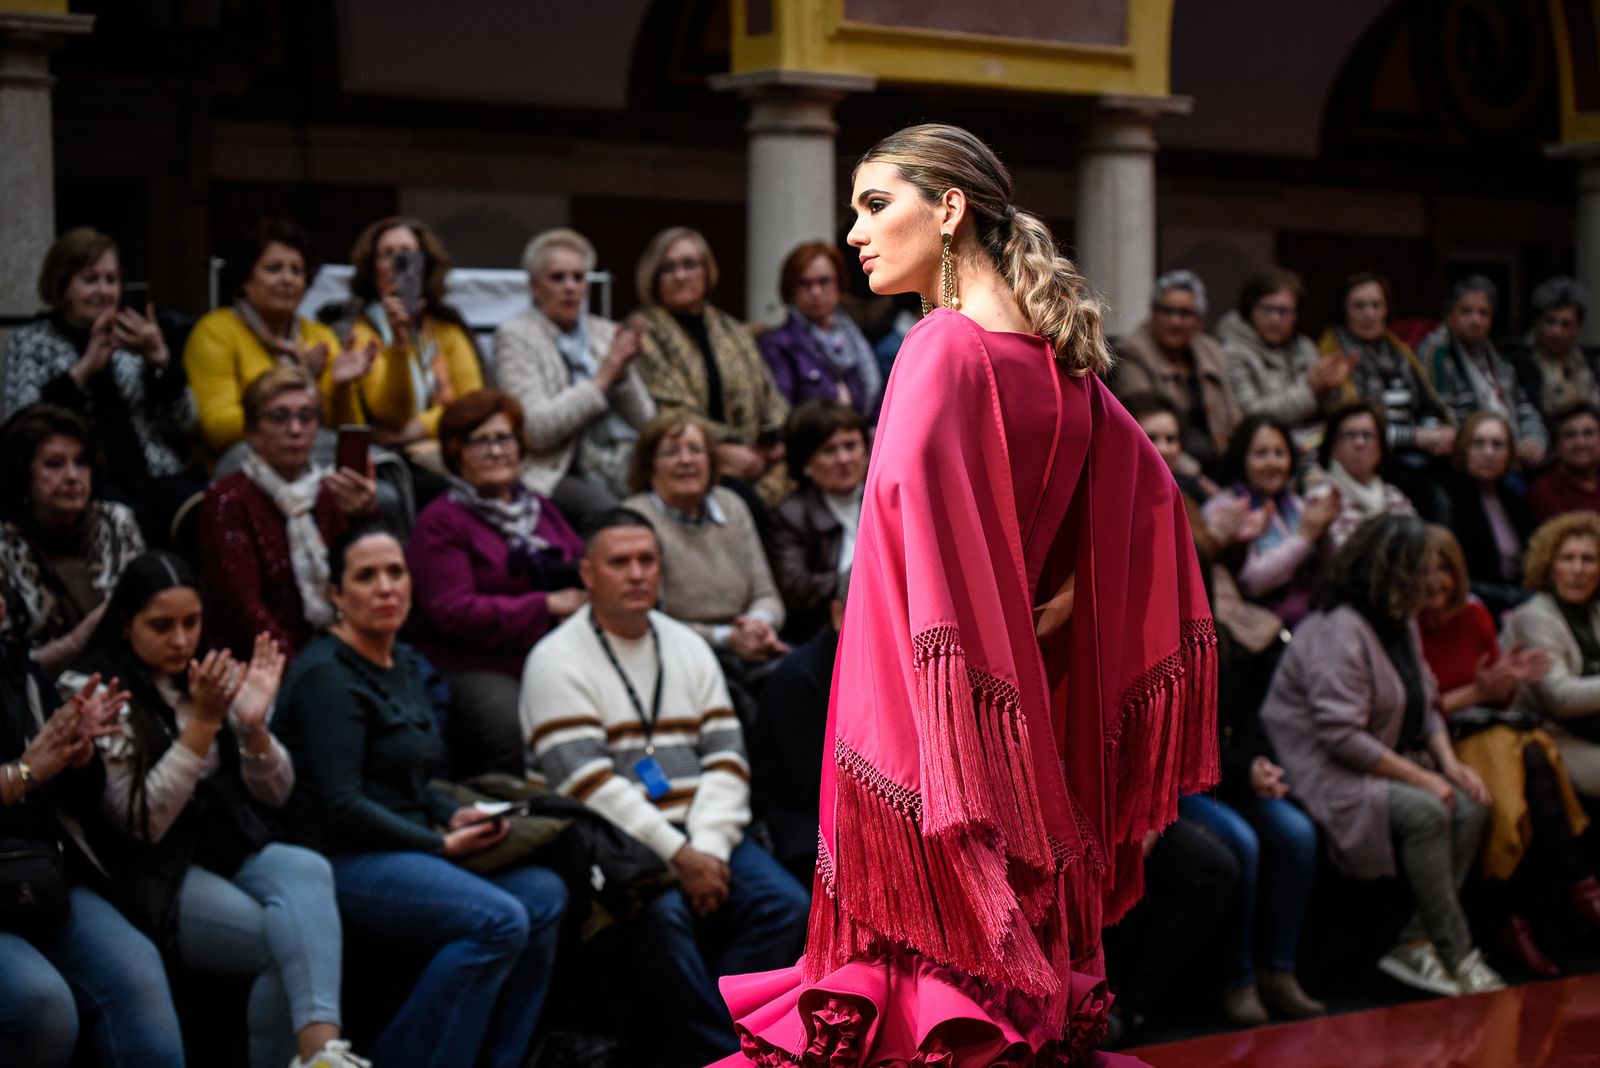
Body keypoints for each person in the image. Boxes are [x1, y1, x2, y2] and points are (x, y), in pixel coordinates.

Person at [715, 123, 1217, 1066]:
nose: (855, 233)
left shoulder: (939, 346)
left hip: (923, 745)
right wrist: (1050, 616)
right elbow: (1156, 509)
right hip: (1020, 739)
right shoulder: (1064, 367)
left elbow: (909, 569)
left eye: (875, 204)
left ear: (948, 210)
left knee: (913, 1016)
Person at [520, 508, 809, 1065]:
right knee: (663, 917)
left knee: (786, 904)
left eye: (647, 560)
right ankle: (720, 1053)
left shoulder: (687, 646)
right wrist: (680, 855)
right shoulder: (553, 660)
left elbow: (727, 758)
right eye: (619, 562)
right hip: (614, 845)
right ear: (586, 574)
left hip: (703, 834)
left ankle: (708, 1041)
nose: (636, 574)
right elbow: (588, 784)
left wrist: (706, 848)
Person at [273, 524, 567, 1068]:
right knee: (499, 920)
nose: (386, 587)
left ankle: (500, 1060)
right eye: (366, 576)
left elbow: (411, 780)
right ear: (335, 594)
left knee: (544, 894)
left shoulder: (402, 660)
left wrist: (454, 812)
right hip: (343, 857)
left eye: (395, 572)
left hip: (408, 841)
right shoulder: (326, 677)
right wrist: (440, 846)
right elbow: (341, 804)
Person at [69, 552, 366, 1068]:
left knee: (307, 866)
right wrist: (203, 723)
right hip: (154, 872)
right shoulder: (92, 692)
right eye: (161, 626)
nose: (181, 640)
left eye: (191, 622)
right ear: (124, 623)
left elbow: (276, 794)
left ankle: (323, 1055)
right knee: (281, 941)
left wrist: (252, 728)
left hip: (226, 844)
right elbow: (143, 822)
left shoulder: (205, 673)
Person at [1261, 515, 1503, 998]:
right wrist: (1421, 777)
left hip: (1380, 758)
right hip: (1322, 769)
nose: (1434, 582)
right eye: (1423, 571)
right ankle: (1458, 951)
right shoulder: (1338, 629)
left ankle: (1413, 940)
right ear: (1390, 571)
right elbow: (1340, 738)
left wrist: (1450, 766)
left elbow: (1428, 702)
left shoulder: (1401, 622)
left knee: (1473, 801)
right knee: (1428, 811)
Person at [0, 571, 185, 1068]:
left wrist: (77, 757)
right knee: (42, 1005)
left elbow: (83, 800)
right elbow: (28, 771)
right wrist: (24, 772)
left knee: (136, 967)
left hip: (37, 876)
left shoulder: (18, 672)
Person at [1417, 526, 1597, 976]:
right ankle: (1573, 893)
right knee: (1521, 767)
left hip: (1493, 731)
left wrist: (1499, 684)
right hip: (1434, 742)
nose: (1436, 580)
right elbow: (1409, 711)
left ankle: (1527, 916)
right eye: (1424, 568)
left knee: (1524, 763)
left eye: (1445, 568)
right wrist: (1476, 692)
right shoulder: (1399, 625)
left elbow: (1500, 699)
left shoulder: (1475, 615)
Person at [405, 390, 586, 778]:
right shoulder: (441, 522)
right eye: (479, 441)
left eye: (504, 438)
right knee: (509, 723)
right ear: (456, 452)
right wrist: (545, 605)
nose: (495, 451)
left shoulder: (540, 508)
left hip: (549, 652)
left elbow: (580, 566)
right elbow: (452, 613)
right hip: (475, 663)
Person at [3, 228, 201, 540]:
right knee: (128, 522)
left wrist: (160, 361)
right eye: (90, 279)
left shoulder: (133, 337)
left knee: (203, 513)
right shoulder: (33, 340)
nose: (103, 290)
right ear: (62, 285)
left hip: (153, 470)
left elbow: (186, 423)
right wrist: (82, 372)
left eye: (111, 280)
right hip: (82, 476)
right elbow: (20, 432)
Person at [198, 367, 378, 658]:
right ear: (251, 432)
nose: (295, 430)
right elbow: (243, 610)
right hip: (264, 661)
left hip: (339, 646)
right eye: (279, 417)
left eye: (306, 417)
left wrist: (364, 517)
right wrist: (302, 673)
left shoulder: (330, 491)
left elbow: (365, 581)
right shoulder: (228, 500)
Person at [493, 228, 655, 520]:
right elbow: (535, 431)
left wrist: (623, 376)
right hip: (554, 468)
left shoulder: (604, 332)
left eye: (579, 277)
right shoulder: (515, 336)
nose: (570, 287)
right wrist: (602, 379)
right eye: (558, 277)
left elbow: (648, 422)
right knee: (617, 517)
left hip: (623, 458)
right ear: (533, 286)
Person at [183, 218, 374, 467]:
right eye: (274, 269)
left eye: (297, 270)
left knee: (384, 490)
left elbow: (349, 434)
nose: (288, 279)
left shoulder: (319, 337)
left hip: (311, 457)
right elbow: (218, 430)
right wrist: (298, 379)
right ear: (245, 278)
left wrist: (341, 389)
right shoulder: (215, 331)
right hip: (243, 463)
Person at [632, 227, 791, 504]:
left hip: (757, 458)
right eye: (668, 268)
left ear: (707, 272)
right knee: (748, 508)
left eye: (690, 265)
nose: (680, 275)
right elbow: (672, 408)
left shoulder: (731, 329)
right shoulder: (644, 331)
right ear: (654, 277)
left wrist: (775, 439)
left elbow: (767, 393)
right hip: (693, 460)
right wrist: (726, 449)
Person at [622, 412, 787, 667]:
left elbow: (766, 593)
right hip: (676, 652)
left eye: (696, 450)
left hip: (746, 637)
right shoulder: (635, 520)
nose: (686, 460)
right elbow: (650, 618)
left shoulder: (733, 505)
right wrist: (725, 637)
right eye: (671, 452)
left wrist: (758, 624)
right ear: (649, 464)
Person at [343, 217, 486, 492]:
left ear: (425, 265)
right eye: (387, 254)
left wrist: (420, 427)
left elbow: (473, 404)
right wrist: (399, 344)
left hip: (444, 449)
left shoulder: (447, 328)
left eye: (408, 253)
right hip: (386, 458)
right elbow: (389, 415)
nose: (399, 262)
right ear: (372, 267)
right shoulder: (356, 331)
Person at [0, 405, 145, 676]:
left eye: (81, 462)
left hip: (126, 679)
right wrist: (77, 641)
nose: (72, 476)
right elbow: (6, 668)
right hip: (38, 698)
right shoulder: (5, 546)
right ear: (23, 472)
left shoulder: (116, 522)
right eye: (54, 464)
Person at [1318, 271, 1455, 517]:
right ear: (1344, 311)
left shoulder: (1398, 349)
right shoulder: (1334, 354)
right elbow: (1356, 428)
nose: (1369, 314)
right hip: (1374, 455)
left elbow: (1426, 405)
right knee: (1433, 494)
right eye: (1359, 306)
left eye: (1376, 305)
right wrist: (1420, 438)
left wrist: (1436, 433)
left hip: (1419, 449)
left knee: (1464, 479)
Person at [1202, 416, 1339, 627]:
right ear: (1241, 458)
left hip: (1316, 609)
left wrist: (1325, 530)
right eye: (1261, 454)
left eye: (1279, 453)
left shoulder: (1293, 502)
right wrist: (1304, 538)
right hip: (1267, 624)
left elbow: (1327, 568)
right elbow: (1251, 584)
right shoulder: (1225, 508)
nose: (1272, 463)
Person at [1502, 512, 1600, 799]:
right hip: (1549, 734)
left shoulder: (1595, 611)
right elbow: (1560, 699)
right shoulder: (1534, 616)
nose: (1578, 570)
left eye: (1588, 559)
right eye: (1567, 558)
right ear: (1549, 565)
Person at [1109, 269, 1241, 478]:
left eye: (1184, 313)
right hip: (1169, 467)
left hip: (1221, 462)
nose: (1175, 321)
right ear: (1152, 313)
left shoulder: (1211, 350)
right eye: (1166, 311)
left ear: (1199, 320)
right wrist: (1198, 478)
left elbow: (1234, 417)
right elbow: (1145, 429)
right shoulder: (1132, 352)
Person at [766, 399, 868, 643]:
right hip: (826, 635)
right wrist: (868, 577)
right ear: (806, 463)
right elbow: (797, 589)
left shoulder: (886, 499)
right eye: (829, 451)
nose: (844, 459)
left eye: (851, 446)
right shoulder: (790, 515)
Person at [1419, 275, 1548, 467]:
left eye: (1483, 313)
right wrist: (1503, 447)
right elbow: (1445, 417)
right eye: (1467, 311)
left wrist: (1534, 439)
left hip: (1510, 453)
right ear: (1449, 315)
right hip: (1472, 458)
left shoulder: (1496, 355)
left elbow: (1524, 407)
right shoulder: (1436, 354)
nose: (1476, 320)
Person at [1220, 268, 1346, 448]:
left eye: (1284, 311)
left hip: (1311, 443)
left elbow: (1332, 413)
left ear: (1297, 315)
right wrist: (1310, 390)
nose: (1275, 318)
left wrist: (1332, 387)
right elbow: (1252, 416)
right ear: (1249, 309)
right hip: (1258, 448)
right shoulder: (1232, 350)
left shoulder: (1305, 347)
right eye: (1267, 309)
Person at [758, 241, 883, 419]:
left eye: (824, 281)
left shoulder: (854, 338)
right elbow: (783, 415)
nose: (816, 292)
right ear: (791, 290)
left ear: (839, 285)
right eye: (805, 284)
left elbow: (877, 400)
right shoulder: (779, 345)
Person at [1443, 412, 1535, 617]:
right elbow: (1450, 574)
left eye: (1498, 444)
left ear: (1509, 453)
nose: (1489, 453)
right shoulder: (1447, 495)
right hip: (1471, 607)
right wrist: (1515, 598)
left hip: (1518, 602)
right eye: (1478, 444)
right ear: (1463, 449)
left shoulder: (1514, 499)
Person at [1315, 401, 1417, 552]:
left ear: (1381, 448)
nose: (1359, 442)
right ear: (1332, 447)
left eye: (1367, 435)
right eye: (1349, 435)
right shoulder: (1323, 496)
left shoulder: (1393, 496)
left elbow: (1419, 545)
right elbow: (1339, 556)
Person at [1509, 276, 1596, 420]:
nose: (1557, 331)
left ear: (1577, 328)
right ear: (1537, 322)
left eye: (1565, 324)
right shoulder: (1517, 361)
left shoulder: (1591, 362)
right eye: (1550, 322)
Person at [1526, 400, 1600, 522]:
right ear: (1557, 446)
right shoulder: (1543, 492)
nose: (1580, 442)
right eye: (1570, 435)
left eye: (1589, 433)